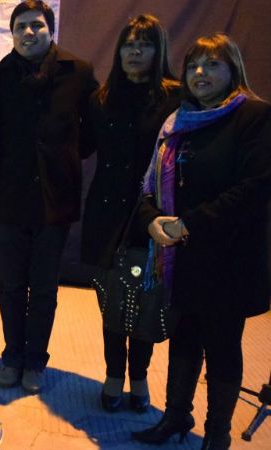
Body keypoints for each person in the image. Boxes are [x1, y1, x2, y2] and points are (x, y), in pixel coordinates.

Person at [132, 34, 271, 449]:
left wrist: (185, 225)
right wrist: (152, 220)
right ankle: (176, 418)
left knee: (223, 345)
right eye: (193, 65)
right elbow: (151, 184)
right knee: (184, 339)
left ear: (233, 70)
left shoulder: (255, 116)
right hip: (182, 257)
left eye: (212, 65)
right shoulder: (179, 121)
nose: (199, 74)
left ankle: (216, 435)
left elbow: (254, 188)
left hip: (230, 258)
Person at [0, 0, 98, 393]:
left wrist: (63, 158)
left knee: (43, 288)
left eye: (37, 25)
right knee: (10, 285)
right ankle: (12, 357)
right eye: (21, 26)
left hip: (55, 200)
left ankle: (35, 362)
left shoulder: (78, 72)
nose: (29, 32)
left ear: (50, 29)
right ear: (11, 33)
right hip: (7, 201)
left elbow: (91, 133)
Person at [80, 14, 180, 412]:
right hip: (105, 213)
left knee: (145, 299)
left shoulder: (175, 98)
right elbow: (80, 145)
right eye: (128, 44)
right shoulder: (100, 99)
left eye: (145, 44)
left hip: (150, 214)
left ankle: (138, 377)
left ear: (159, 51)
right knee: (112, 300)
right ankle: (112, 374)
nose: (135, 51)